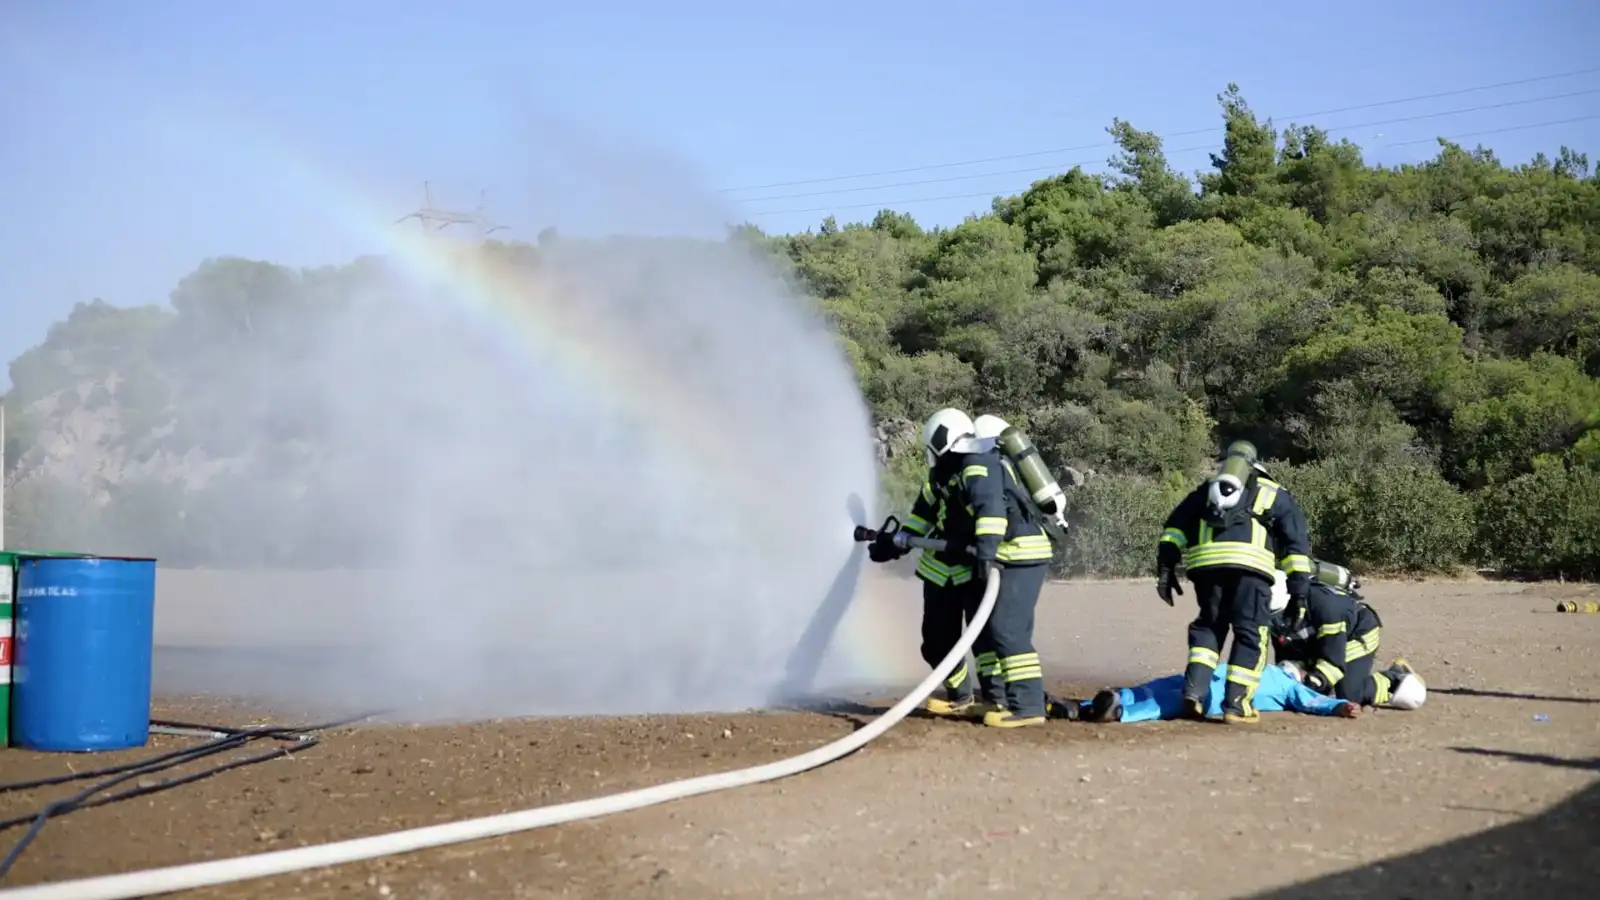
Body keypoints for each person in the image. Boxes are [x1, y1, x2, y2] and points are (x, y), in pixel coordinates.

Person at [868, 408, 1056, 728]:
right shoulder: (942, 474)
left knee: (1001, 633)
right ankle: (967, 697)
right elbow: (923, 515)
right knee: (943, 641)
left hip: (1008, 555)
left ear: (940, 441)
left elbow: (991, 509)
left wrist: (985, 550)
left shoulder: (977, 465)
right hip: (959, 563)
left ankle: (1023, 704)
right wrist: (896, 543)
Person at [1157, 440, 1314, 724]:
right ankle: (1237, 705)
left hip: (1205, 568)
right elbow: (1296, 548)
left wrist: (1166, 567)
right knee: (1250, 633)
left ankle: (1194, 692)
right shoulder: (1275, 494)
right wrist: (1299, 593)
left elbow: (1174, 527)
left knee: (1209, 627)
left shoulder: (1206, 491)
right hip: (1250, 570)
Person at [1268, 562, 1426, 709]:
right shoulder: (1271, 610)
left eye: (1278, 614)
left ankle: (1395, 678)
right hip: (1321, 642)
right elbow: (1284, 649)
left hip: (1356, 635)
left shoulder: (1326, 607)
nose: (1277, 621)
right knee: (1308, 690)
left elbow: (1333, 661)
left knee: (1349, 694)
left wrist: (1316, 681)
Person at [1045, 662, 1361, 723]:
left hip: (1212, 693)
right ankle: (1079, 706)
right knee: (1148, 689)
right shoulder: (1269, 667)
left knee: (1161, 702)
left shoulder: (1292, 687)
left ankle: (1116, 713)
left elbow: (1315, 702)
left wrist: (1341, 705)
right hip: (1200, 677)